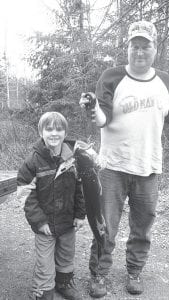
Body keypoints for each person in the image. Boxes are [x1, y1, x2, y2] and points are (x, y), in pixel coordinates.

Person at [80, 20, 169, 297]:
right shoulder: (112, 76)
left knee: (143, 227)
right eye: (134, 46)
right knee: (105, 225)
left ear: (154, 48)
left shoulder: (165, 81)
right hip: (112, 167)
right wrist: (93, 109)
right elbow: (104, 120)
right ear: (127, 47)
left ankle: (135, 271)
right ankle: (99, 274)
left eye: (145, 46)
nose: (139, 51)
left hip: (148, 167)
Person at [17, 111, 85, 300]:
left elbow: (81, 188)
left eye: (59, 129)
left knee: (66, 254)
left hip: (68, 221)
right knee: (44, 260)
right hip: (45, 225)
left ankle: (63, 283)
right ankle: (43, 289)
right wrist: (39, 221)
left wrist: (80, 214)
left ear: (65, 132)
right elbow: (25, 194)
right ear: (41, 132)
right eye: (49, 129)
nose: (54, 133)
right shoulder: (32, 161)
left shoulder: (74, 158)